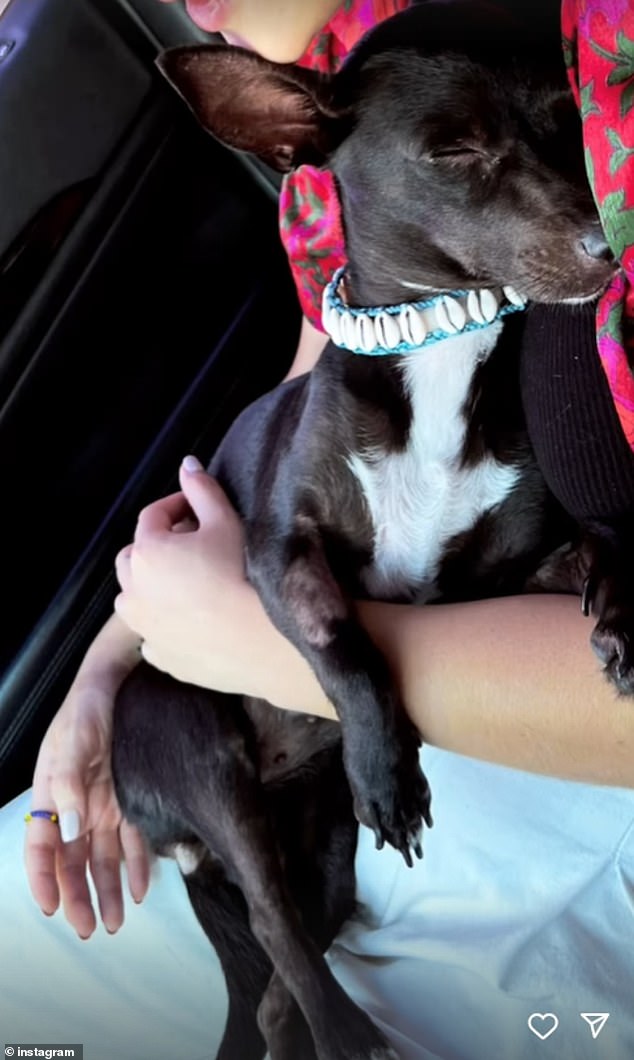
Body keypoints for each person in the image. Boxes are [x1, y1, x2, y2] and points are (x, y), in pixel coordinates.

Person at [2, 1, 634, 1058]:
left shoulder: (573, 73)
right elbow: (317, 394)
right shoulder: (353, 90)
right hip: (352, 707)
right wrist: (110, 661)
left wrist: (274, 652)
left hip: (518, 751)